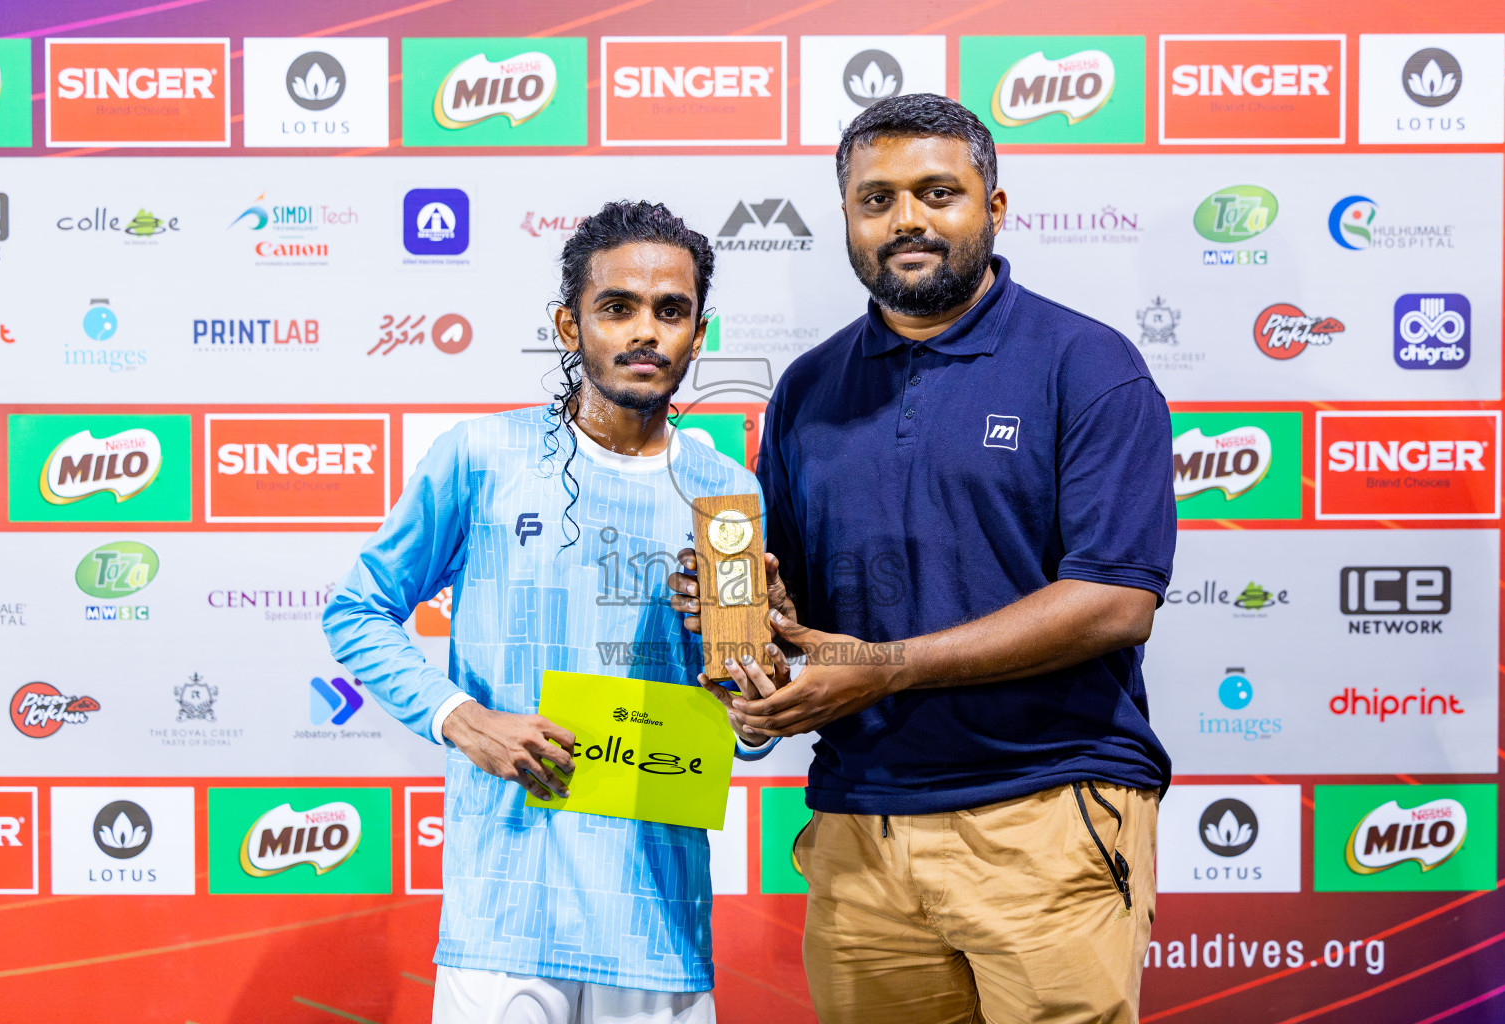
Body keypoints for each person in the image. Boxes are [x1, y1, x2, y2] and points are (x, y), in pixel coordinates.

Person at [670, 94, 1176, 1023]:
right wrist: (745, 618)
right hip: (862, 823)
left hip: (1045, 810)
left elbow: (1114, 600)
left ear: (995, 205)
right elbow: (806, 612)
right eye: (877, 199)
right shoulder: (810, 387)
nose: (907, 219)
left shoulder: (1086, 365)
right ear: (849, 219)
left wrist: (882, 670)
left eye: (937, 192)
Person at [324, 200, 780, 1024]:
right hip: (504, 915)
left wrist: (759, 692)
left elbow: (742, 730)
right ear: (569, 326)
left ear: (697, 336)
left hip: (658, 922)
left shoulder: (729, 493)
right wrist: (461, 718)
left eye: (670, 311)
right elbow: (357, 610)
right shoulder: (481, 456)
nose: (647, 331)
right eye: (618, 308)